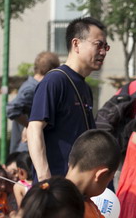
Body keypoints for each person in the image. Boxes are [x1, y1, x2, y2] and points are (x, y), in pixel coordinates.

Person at [28, 17, 108, 180]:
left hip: (77, 185)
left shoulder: (85, 87)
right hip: (56, 187)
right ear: (76, 44)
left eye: (106, 47)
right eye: (98, 45)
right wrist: (45, 178)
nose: (103, 52)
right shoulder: (55, 80)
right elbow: (34, 129)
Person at [7, 51, 60, 153]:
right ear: (52, 71)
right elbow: (11, 109)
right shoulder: (32, 89)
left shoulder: (32, 86)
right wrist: (31, 126)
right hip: (27, 149)